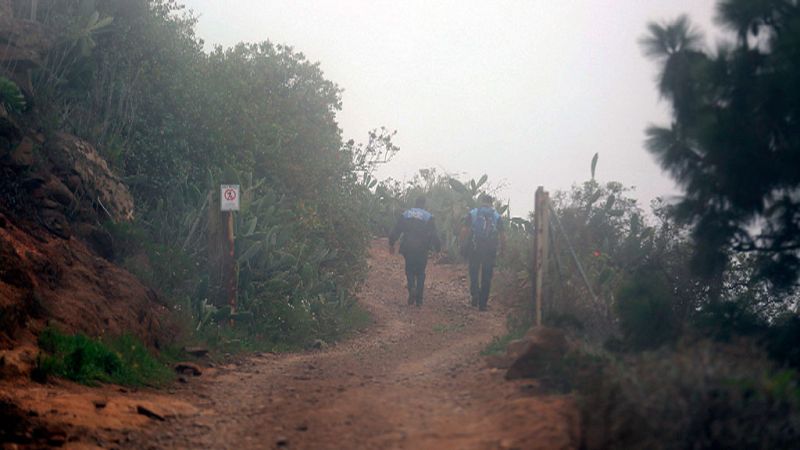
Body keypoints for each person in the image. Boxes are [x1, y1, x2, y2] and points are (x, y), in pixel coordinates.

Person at [389, 196, 441, 307]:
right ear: (424, 204)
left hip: (408, 247)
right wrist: (438, 249)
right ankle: (419, 300)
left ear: (415, 203)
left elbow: (396, 230)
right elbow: (434, 235)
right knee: (421, 272)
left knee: (409, 270)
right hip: (422, 248)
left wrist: (391, 243)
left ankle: (412, 287)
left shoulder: (406, 214)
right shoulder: (428, 217)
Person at [460, 194, 504, 311]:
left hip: (475, 247)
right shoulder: (496, 216)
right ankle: (483, 304)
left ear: (482, 202)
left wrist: (462, 243)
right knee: (487, 276)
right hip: (490, 249)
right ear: (491, 203)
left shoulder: (474, 213)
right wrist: (502, 249)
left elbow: (465, 229)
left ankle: (475, 294)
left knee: (473, 271)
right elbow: (503, 235)